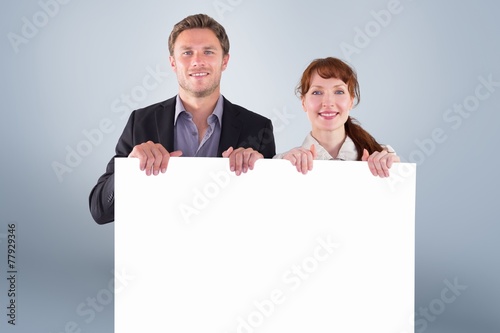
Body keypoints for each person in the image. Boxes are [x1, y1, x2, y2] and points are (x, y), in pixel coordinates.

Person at [89, 13, 275, 224]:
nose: (197, 61)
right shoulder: (140, 122)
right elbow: (100, 211)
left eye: (208, 52)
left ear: (225, 61)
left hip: (229, 253)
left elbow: (273, 216)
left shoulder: (259, 128)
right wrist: (129, 170)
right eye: (187, 53)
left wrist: (263, 176)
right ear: (173, 63)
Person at [273, 57, 399, 176]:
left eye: (339, 92)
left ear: (351, 101)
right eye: (317, 92)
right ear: (303, 102)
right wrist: (280, 167)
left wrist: (395, 173)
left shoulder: (382, 156)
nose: (328, 103)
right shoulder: (281, 163)